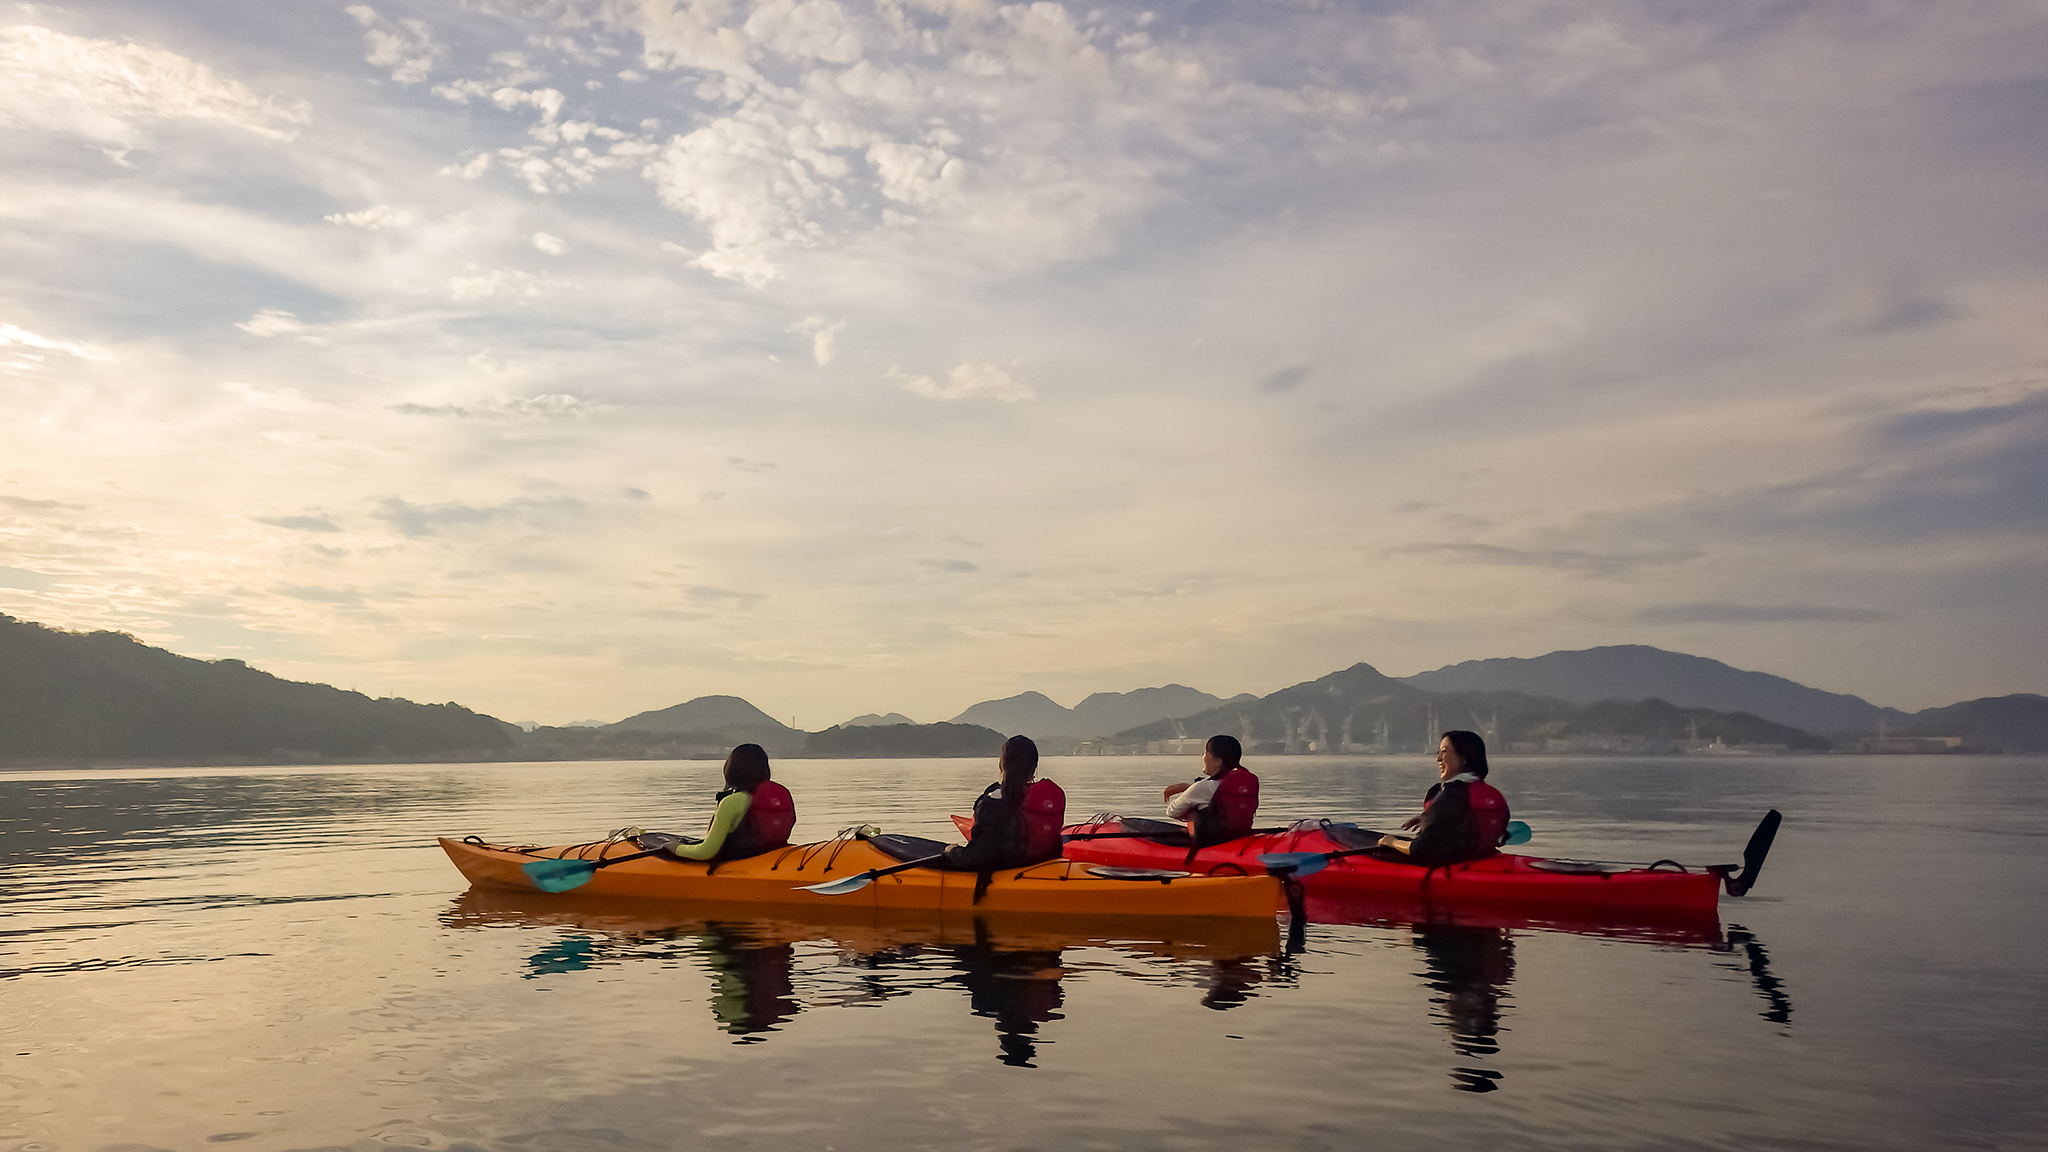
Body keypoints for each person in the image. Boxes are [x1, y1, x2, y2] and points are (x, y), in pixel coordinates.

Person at [1377, 730, 1510, 866]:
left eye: (1444, 752)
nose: (1439, 759)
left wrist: (1392, 842)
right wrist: (1432, 817)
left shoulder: (1452, 794)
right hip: (1486, 859)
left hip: (1453, 866)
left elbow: (1420, 849)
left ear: (1465, 757)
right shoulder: (1493, 793)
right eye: (1438, 753)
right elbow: (1475, 823)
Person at [944, 735, 1064, 870]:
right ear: (1033, 768)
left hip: (1009, 874)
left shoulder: (993, 801)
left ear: (1001, 765)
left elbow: (976, 858)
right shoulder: (1050, 798)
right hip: (1046, 868)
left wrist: (951, 851)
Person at [669, 743, 796, 861]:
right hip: (775, 857)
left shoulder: (731, 802)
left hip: (741, 861)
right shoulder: (782, 795)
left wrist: (675, 848)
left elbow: (706, 852)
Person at [1162, 734, 1260, 846]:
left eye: (1205, 752)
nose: (1202, 756)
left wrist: (1190, 793)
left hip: (1211, 844)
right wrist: (1189, 788)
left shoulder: (1202, 788)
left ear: (1218, 761)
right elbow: (1216, 789)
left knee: (1195, 811)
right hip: (1241, 838)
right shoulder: (1248, 782)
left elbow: (1172, 812)